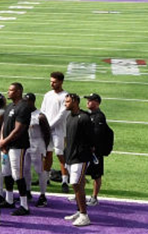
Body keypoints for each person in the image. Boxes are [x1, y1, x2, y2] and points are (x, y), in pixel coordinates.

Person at [0, 82, 34, 216]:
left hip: (17, 146)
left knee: (17, 174)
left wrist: (4, 142)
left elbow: (18, 130)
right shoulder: (10, 106)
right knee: (6, 172)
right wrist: (2, 141)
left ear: (18, 91)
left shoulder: (24, 107)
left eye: (11, 90)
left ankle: (24, 205)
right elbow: (4, 125)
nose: (8, 92)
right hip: (7, 146)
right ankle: (9, 199)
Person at [63, 93, 93, 227]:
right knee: (77, 185)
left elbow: (91, 139)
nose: (65, 104)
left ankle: (84, 215)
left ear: (75, 102)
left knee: (76, 184)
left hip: (80, 157)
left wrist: (84, 154)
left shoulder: (84, 118)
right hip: (70, 157)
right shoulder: (69, 117)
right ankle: (79, 211)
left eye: (68, 101)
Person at [42, 71, 69, 191]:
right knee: (47, 154)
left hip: (59, 130)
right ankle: (45, 178)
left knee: (60, 154)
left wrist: (48, 126)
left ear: (61, 82)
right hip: (47, 129)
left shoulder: (65, 96)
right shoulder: (48, 95)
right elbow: (43, 111)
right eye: (51, 81)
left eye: (54, 82)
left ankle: (65, 181)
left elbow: (61, 115)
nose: (52, 84)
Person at [84, 93, 107, 207]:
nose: (87, 102)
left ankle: (94, 197)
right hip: (87, 148)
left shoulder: (99, 116)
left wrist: (93, 147)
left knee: (96, 174)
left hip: (95, 151)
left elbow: (98, 134)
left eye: (90, 100)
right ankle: (81, 193)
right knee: (82, 171)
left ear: (97, 102)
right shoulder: (89, 114)